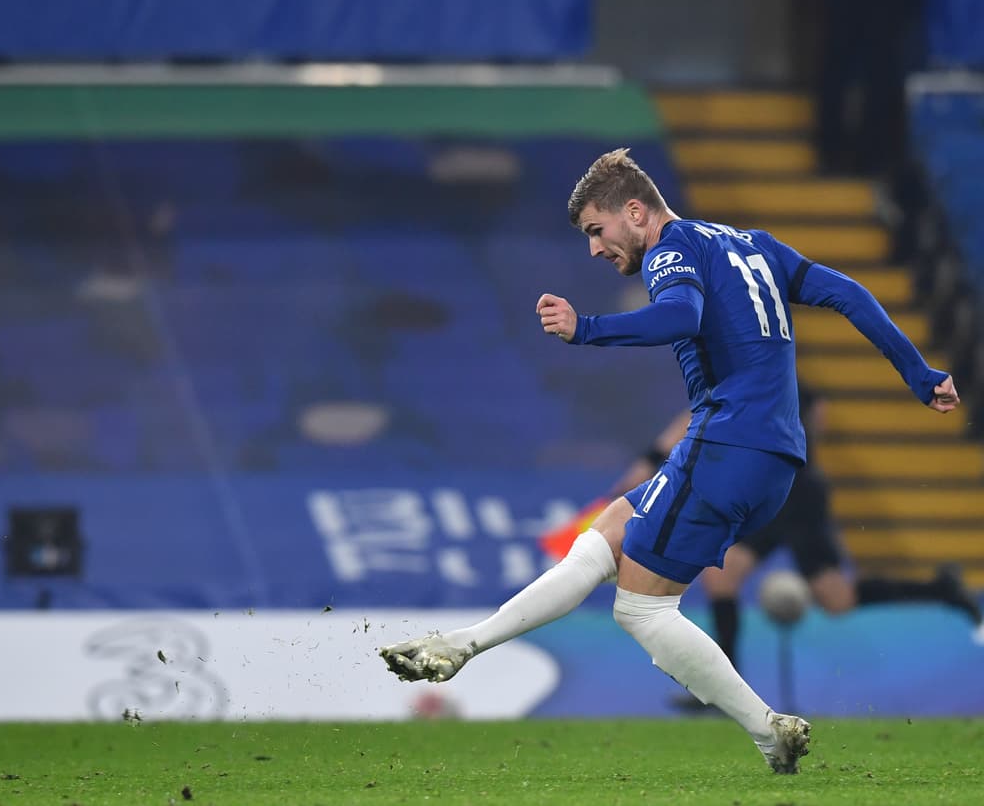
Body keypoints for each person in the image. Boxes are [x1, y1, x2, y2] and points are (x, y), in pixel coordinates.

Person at [379, 148, 960, 774]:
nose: (595, 250)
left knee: (641, 607)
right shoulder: (754, 245)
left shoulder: (673, 249)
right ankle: (465, 644)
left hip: (728, 444)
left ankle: (768, 731)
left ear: (635, 211)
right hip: (771, 459)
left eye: (597, 231)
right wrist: (918, 372)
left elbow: (681, 314)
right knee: (606, 535)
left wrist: (587, 328)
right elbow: (846, 292)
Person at [612, 383, 984, 714]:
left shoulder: (756, 374)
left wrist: (649, 463)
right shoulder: (746, 375)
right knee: (721, 577)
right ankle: (721, 687)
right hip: (771, 493)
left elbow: (697, 422)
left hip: (797, 494)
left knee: (836, 600)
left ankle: (941, 589)